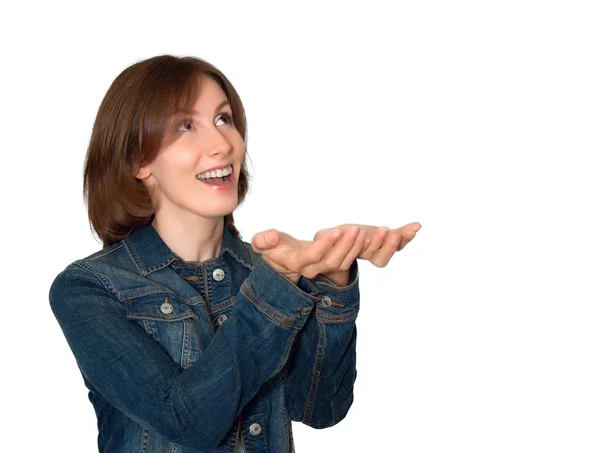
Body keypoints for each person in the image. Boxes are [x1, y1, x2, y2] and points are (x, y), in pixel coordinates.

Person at [49, 54, 421, 453]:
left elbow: (320, 408)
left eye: (224, 119)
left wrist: (334, 277)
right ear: (140, 159)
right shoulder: (88, 288)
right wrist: (276, 288)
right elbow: (185, 420)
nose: (222, 144)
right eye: (186, 125)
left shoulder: (268, 272)